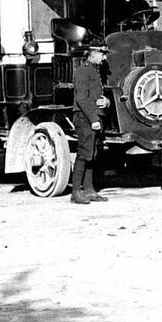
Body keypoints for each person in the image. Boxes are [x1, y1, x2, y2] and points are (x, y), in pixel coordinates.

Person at [70, 42, 110, 204]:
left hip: (94, 117)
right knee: (84, 154)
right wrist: (93, 119)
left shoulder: (94, 71)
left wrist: (106, 102)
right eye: (102, 53)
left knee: (92, 154)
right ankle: (75, 193)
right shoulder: (83, 71)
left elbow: (96, 96)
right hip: (85, 118)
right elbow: (81, 99)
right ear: (92, 54)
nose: (104, 57)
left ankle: (89, 190)